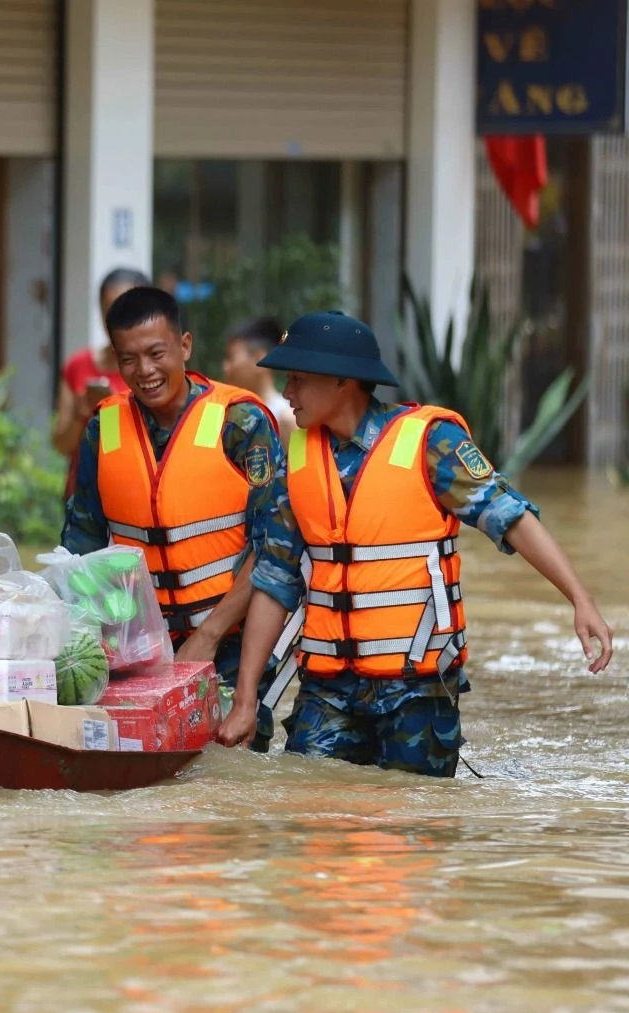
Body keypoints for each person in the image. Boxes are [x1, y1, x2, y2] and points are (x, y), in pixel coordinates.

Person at [217, 310, 615, 776]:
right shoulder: (299, 454)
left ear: (343, 382)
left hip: (416, 688)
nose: (287, 393)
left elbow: (512, 518)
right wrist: (245, 701)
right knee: (311, 815)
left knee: (414, 826)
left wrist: (580, 599)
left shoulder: (431, 442)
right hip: (328, 688)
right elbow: (274, 577)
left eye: (298, 379)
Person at [62, 286, 285, 752]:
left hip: (229, 641)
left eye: (156, 353)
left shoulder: (241, 423)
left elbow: (274, 550)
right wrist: (92, 639)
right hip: (136, 647)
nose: (144, 372)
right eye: (128, 360)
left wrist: (207, 636)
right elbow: (80, 547)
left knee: (225, 782)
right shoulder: (103, 429)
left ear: (184, 346)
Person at [53, 268, 150, 500]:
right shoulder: (78, 366)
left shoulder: (157, 371)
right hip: (84, 498)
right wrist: (80, 414)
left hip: (138, 498)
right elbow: (61, 445)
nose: (117, 319)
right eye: (109, 309)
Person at [222, 316, 298, 447]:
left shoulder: (286, 420)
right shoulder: (225, 415)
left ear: (259, 358)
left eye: (231, 358)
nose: (226, 368)